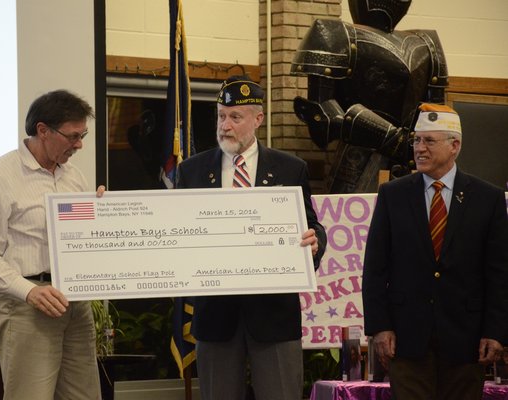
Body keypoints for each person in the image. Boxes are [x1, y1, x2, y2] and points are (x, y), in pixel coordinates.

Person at [176, 75, 327, 400]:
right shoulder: (192, 171)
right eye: (220, 116)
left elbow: (312, 225)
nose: (225, 125)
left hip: (273, 316)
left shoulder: (290, 168)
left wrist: (315, 242)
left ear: (257, 119)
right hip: (215, 318)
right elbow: (177, 233)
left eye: (235, 117)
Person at [362, 103, 508, 399]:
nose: (419, 148)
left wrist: (496, 331)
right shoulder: (393, 194)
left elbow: (499, 273)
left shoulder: (487, 199)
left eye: (429, 141)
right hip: (406, 339)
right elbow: (375, 268)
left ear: (455, 146)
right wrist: (379, 327)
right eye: (416, 140)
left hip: (466, 341)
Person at [0, 89, 104, 400]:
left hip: (74, 304)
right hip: (26, 306)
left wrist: (102, 214)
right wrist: (29, 292)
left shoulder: (74, 177)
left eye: (83, 135)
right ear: (42, 130)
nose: (80, 145)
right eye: (72, 136)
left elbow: (80, 239)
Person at [291, 0, 448, 193]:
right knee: (353, 220)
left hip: (414, 161)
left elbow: (438, 117)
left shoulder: (427, 44)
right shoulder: (333, 33)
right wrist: (391, 138)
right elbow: (323, 114)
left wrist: (411, 144)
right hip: (358, 161)